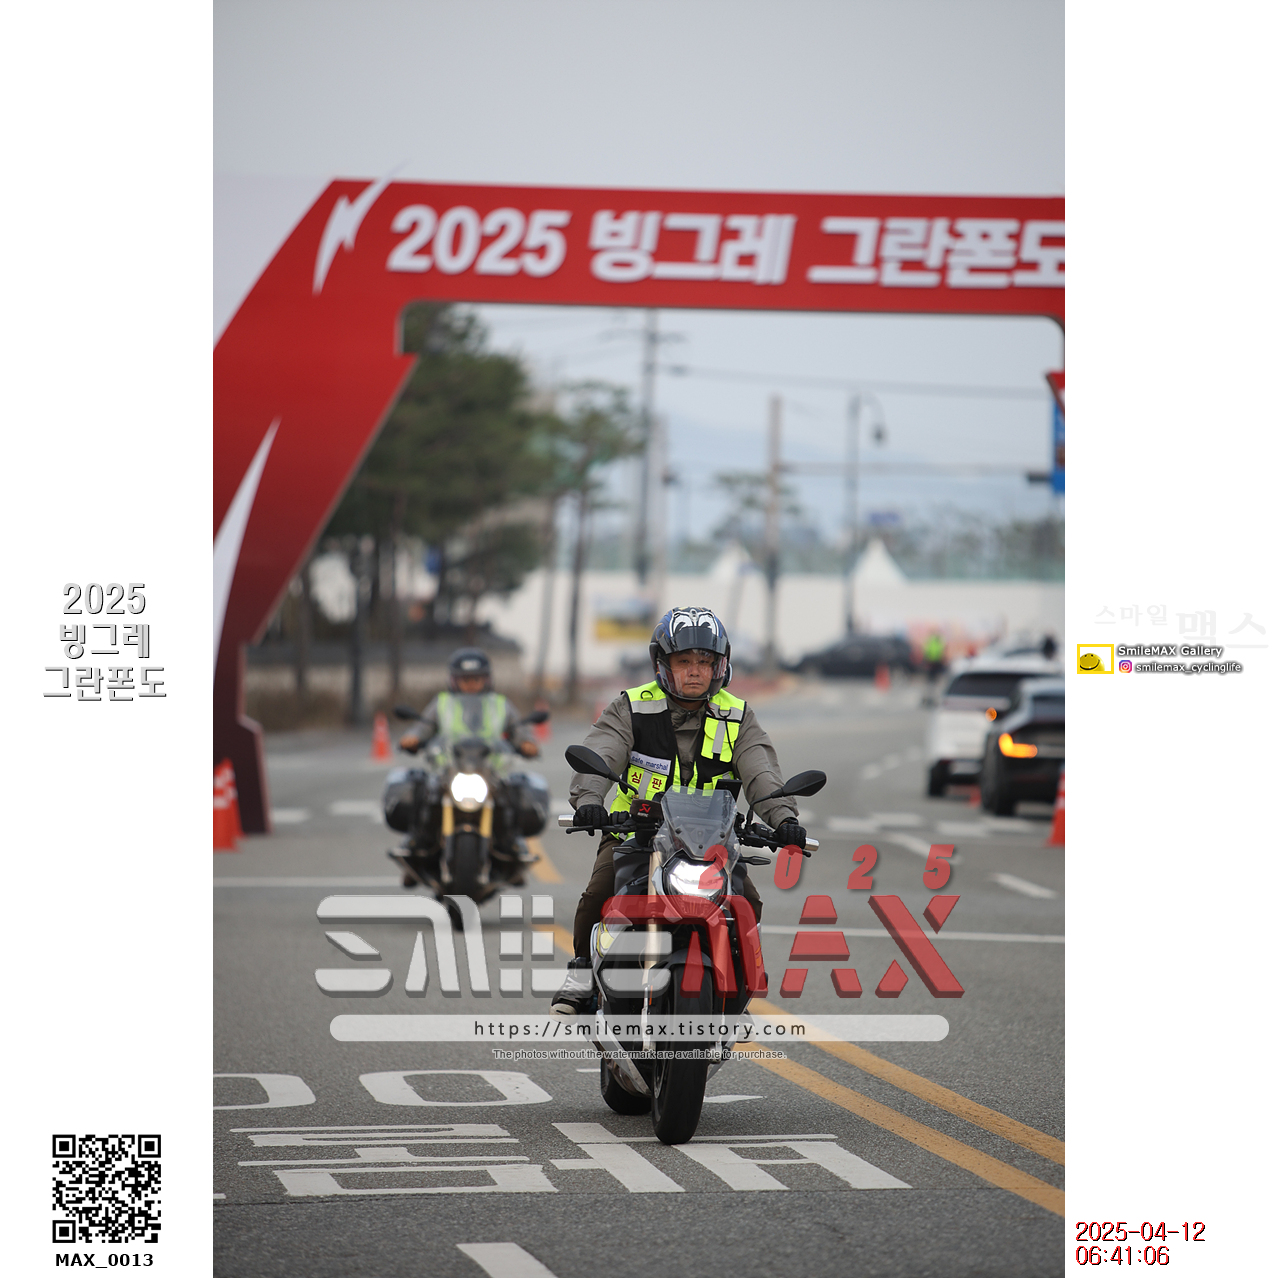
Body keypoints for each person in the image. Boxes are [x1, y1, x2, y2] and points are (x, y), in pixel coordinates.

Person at [551, 607, 807, 1016]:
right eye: (684, 661)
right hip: (636, 834)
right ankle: (580, 972)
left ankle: (734, 994)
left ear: (720, 666)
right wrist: (589, 802)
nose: (695, 671)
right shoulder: (632, 707)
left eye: (705, 661)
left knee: (748, 901)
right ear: (662, 665)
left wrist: (785, 819)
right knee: (600, 892)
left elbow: (761, 771)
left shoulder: (737, 715)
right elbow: (602, 752)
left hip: (711, 844)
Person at [397, 647, 539, 887]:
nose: (471, 684)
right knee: (427, 797)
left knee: (508, 801)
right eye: (465, 679)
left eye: (476, 678)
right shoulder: (442, 703)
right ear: (454, 680)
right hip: (450, 770)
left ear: (487, 679)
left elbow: (519, 731)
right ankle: (416, 851)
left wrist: (527, 743)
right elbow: (423, 728)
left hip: (489, 771)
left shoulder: (500, 704)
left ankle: (512, 852)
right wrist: (412, 738)